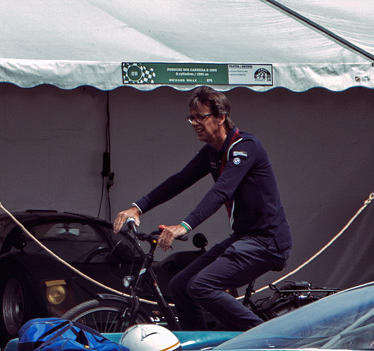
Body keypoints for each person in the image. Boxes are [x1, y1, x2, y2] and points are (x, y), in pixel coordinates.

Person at [113, 86, 292, 331]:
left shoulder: (246, 147)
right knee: (180, 285)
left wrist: (184, 226)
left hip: (267, 241)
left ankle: (268, 338)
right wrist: (138, 208)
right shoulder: (212, 152)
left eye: (201, 117)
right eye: (192, 118)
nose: (195, 123)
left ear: (221, 117)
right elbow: (179, 180)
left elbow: (222, 191)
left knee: (201, 286)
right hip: (243, 238)